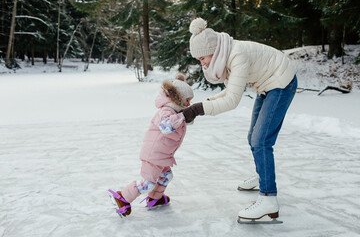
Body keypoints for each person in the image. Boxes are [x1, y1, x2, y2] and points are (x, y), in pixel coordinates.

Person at [182, 17, 298, 221]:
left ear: (212, 49)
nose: (203, 63)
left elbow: (232, 101)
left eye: (202, 58)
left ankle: (269, 198)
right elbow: (230, 92)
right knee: (253, 136)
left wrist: (198, 110)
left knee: (261, 140)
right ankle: (263, 177)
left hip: (281, 81)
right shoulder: (226, 53)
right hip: (267, 84)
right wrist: (202, 104)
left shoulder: (237, 55)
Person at [108, 73, 194, 217]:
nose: (188, 104)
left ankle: (155, 199)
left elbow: (183, 120)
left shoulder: (176, 112)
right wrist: (184, 115)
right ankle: (122, 197)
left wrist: (189, 114)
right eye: (187, 100)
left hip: (162, 156)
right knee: (148, 183)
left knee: (166, 176)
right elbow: (166, 126)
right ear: (178, 98)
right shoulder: (166, 111)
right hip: (153, 155)